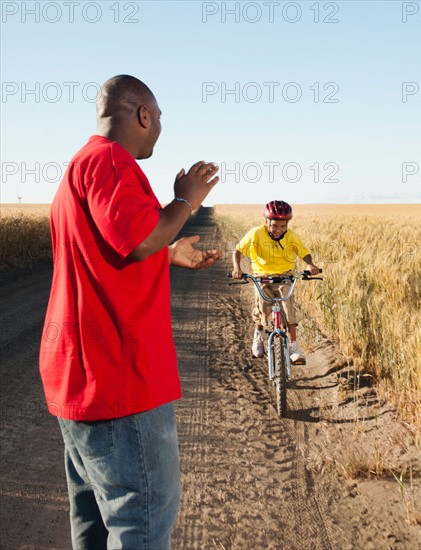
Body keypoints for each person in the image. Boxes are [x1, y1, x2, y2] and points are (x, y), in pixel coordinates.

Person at [39, 74, 220, 550]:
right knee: (141, 521)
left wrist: (169, 252)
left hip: (79, 378)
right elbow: (140, 238)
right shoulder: (111, 161)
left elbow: (109, 251)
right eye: (158, 118)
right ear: (141, 114)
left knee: (95, 524)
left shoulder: (79, 166)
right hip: (120, 381)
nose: (160, 127)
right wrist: (186, 200)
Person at [232, 200, 320, 363]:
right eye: (274, 225)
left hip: (284, 277)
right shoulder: (256, 233)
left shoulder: (292, 236)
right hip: (261, 277)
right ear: (266, 222)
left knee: (288, 308)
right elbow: (237, 250)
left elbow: (304, 252)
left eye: (282, 226)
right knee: (262, 307)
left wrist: (310, 264)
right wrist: (237, 268)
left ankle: (294, 346)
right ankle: (258, 338)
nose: (279, 230)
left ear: (287, 224)